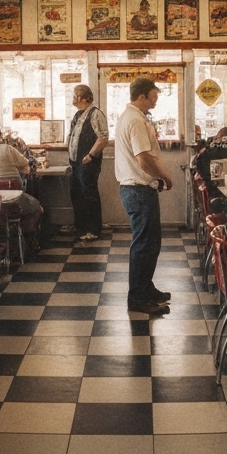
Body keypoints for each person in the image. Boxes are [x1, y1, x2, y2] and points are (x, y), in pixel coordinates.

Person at [115, 77, 176, 315]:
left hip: (136, 189)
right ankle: (138, 297)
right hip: (138, 189)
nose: (155, 102)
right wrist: (163, 177)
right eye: (153, 97)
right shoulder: (135, 120)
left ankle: (146, 288)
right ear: (142, 96)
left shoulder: (131, 117)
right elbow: (143, 159)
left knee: (150, 243)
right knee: (144, 245)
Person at [65, 85, 109, 243]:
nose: (73, 98)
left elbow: (103, 138)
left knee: (89, 194)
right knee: (76, 193)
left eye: (76, 95)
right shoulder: (77, 115)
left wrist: (91, 155)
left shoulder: (95, 114)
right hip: (75, 162)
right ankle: (81, 227)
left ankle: (93, 230)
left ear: (85, 98)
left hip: (88, 162)